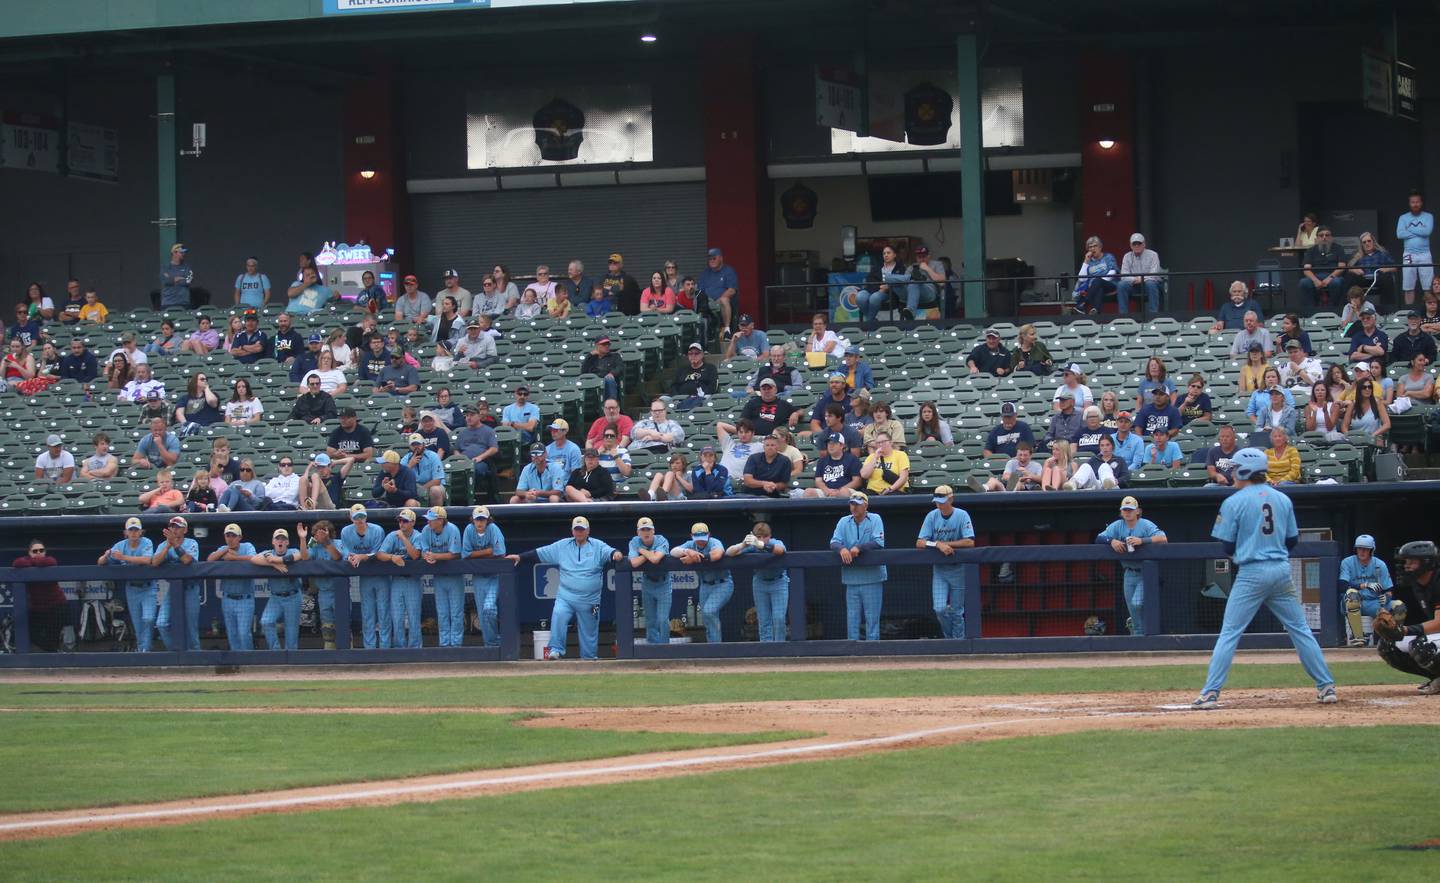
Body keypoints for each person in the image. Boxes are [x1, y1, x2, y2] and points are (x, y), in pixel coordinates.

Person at [1192, 448, 1337, 708]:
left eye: (1236, 468)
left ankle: (1210, 693)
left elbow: (1226, 546)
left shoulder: (1234, 501)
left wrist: (1250, 547)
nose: (1232, 473)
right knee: (1301, 630)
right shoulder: (1282, 498)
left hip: (1251, 572)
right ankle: (1326, 686)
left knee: (1229, 634)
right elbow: (1292, 540)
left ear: (1246, 470)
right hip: (1281, 570)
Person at [507, 515, 624, 660]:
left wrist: (616, 554)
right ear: (572, 531)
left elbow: (611, 552)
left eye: (582, 529)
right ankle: (555, 650)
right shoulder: (563, 546)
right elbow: (540, 553)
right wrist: (520, 557)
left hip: (591, 601)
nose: (579, 532)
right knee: (558, 616)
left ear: (588, 531)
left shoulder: (597, 546)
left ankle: (589, 659)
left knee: (590, 629)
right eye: (576, 529)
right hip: (566, 597)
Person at [1372, 540, 1440, 692]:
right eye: (1406, 561)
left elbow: (1439, 623)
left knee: (1423, 646)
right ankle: (1436, 678)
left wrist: (1406, 630)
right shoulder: (1418, 584)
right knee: (1388, 645)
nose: (1406, 566)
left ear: (1426, 563)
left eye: (1412, 562)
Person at [916, 485, 975, 639]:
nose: (939, 504)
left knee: (957, 611)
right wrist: (937, 544)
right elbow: (920, 542)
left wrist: (949, 545)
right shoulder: (932, 516)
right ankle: (950, 639)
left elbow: (970, 542)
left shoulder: (962, 515)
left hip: (958, 569)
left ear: (951, 499)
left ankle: (959, 642)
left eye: (942, 501)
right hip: (940, 571)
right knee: (939, 608)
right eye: (937, 501)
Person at [829, 491, 887, 640]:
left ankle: (873, 651)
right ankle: (852, 652)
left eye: (858, 504)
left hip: (872, 577)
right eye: (852, 504)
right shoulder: (844, 521)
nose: (854, 507)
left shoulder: (875, 519)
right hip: (851, 578)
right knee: (852, 618)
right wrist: (841, 549)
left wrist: (858, 548)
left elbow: (878, 542)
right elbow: (834, 542)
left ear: (865, 505)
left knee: (872, 618)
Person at [99, 517, 158, 652]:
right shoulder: (120, 545)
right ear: (125, 532)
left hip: (148, 588)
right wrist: (106, 556)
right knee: (138, 625)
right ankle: (144, 651)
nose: (133, 533)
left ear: (141, 531)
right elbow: (101, 562)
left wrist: (124, 558)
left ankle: (145, 649)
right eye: (130, 530)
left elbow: (147, 559)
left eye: (136, 530)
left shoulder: (146, 542)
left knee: (148, 619)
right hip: (131, 588)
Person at [341, 504, 390, 649]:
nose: (360, 520)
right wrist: (351, 557)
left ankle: (385, 647)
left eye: (362, 516)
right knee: (367, 613)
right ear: (351, 518)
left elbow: (378, 553)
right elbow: (345, 551)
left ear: (366, 516)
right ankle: (369, 648)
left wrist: (362, 556)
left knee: (384, 612)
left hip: (381, 575)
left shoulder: (377, 530)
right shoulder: (346, 532)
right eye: (356, 517)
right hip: (365, 577)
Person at [1336, 534, 1398, 647]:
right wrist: (1364, 585)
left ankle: (1393, 638)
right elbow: (1342, 586)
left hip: (1374, 602)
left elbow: (1389, 589)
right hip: (1353, 603)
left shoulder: (1380, 564)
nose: (1362, 551)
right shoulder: (1347, 562)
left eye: (1365, 549)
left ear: (1371, 550)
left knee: (1399, 607)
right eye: (1359, 548)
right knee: (1352, 596)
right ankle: (1358, 637)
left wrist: (1387, 597)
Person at [250, 527, 306, 651]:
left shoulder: (293, 550)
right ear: (273, 542)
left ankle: (291, 663)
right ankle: (276, 651)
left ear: (287, 542)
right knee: (266, 621)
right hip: (275, 598)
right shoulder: (269, 553)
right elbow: (253, 559)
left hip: (293, 596)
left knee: (291, 632)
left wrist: (278, 560)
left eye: (283, 539)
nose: (280, 541)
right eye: (278, 539)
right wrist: (273, 564)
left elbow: (300, 555)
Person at [375, 508, 424, 648]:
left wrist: (403, 538)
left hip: (413, 580)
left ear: (413, 522)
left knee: (414, 617)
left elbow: (415, 555)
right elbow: (380, 554)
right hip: (397, 581)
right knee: (397, 618)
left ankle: (415, 649)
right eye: (400, 521)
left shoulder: (418, 536)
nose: (401, 524)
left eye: (405, 521)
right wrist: (392, 557)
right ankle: (399, 648)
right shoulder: (392, 535)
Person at [207, 523, 258, 651]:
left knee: (243, 633)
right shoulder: (223, 548)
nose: (230, 538)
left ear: (240, 537)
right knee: (232, 635)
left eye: (233, 536)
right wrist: (224, 550)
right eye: (228, 535)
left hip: (245, 599)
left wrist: (235, 558)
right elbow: (209, 560)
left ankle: (248, 661)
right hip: (227, 599)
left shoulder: (247, 546)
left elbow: (255, 558)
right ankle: (237, 664)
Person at [628, 516, 673, 647]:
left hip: (663, 583)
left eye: (648, 529)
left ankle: (665, 649)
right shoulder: (635, 541)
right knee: (650, 621)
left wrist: (641, 551)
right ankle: (653, 649)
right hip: (647, 583)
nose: (645, 532)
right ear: (638, 532)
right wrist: (648, 553)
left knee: (662, 620)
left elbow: (655, 559)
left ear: (653, 531)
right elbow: (634, 563)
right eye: (642, 530)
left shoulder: (661, 540)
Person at [1396, 190, 1434, 305]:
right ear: (1409, 203)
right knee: (1408, 285)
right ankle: (1409, 311)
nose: (1415, 204)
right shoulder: (1403, 218)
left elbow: (1427, 231)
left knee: (1428, 285)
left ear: (1421, 203)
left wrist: (1409, 229)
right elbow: (1399, 234)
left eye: (1417, 202)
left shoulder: (1428, 216)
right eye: (1413, 202)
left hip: (1425, 254)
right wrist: (1420, 231)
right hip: (1408, 254)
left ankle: (1429, 310)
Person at [1299, 226, 1348, 310]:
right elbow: (1306, 270)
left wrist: (1329, 278)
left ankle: (1334, 309)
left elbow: (1342, 267)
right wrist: (1315, 280)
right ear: (1317, 238)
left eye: (1327, 235)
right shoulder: (1311, 250)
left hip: (1333, 276)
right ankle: (1310, 310)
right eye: (1321, 235)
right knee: (1304, 282)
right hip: (1316, 276)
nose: (1324, 237)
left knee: (1336, 282)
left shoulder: (1338, 248)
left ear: (1331, 237)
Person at [456, 407, 500, 499]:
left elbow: (494, 448)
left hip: (481, 462)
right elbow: (456, 449)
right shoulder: (462, 433)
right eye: (467, 415)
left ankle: (471, 496)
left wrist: (480, 457)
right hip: (463, 462)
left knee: (475, 470)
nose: (468, 418)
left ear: (479, 416)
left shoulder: (488, 431)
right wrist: (459, 458)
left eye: (472, 415)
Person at [326, 407, 376, 486]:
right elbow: (329, 452)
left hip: (359, 466)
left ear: (354, 418)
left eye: (346, 418)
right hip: (341, 466)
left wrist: (348, 456)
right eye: (341, 418)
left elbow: (368, 454)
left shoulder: (363, 431)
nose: (343, 420)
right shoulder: (336, 432)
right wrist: (336, 454)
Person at [805, 432, 863, 499]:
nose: (830, 446)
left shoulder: (852, 459)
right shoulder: (822, 461)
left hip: (847, 490)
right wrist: (826, 490)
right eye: (829, 443)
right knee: (808, 492)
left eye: (834, 443)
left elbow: (857, 481)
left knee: (843, 492)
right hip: (827, 491)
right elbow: (818, 480)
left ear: (841, 445)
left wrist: (839, 491)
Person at [1116, 232, 1163, 313]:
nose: (1137, 246)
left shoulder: (1153, 255)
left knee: (1150, 283)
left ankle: (1153, 316)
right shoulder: (1127, 256)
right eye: (1134, 244)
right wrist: (1135, 279)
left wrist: (1141, 279)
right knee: (1121, 285)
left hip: (1149, 285)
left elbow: (1154, 275)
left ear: (1144, 244)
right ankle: (1123, 317)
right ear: (1131, 245)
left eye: (1139, 243)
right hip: (1134, 285)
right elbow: (1123, 276)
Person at [1347, 231, 1397, 307]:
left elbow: (1394, 268)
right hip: (1363, 278)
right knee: (1351, 278)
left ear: (1373, 242)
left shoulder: (1382, 253)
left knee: (1387, 278)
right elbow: (1348, 268)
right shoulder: (1357, 255)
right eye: (1364, 242)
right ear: (1361, 245)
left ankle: (1388, 308)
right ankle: (1353, 306)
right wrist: (1355, 270)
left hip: (1378, 278)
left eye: (1369, 241)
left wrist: (1385, 269)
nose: (1367, 243)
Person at [1071, 235, 1118, 314]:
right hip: (1095, 287)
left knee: (1097, 281)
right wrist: (1086, 261)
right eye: (1090, 247)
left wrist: (1098, 282)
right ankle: (1096, 311)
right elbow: (1082, 279)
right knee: (1099, 289)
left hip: (1110, 284)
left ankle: (1083, 303)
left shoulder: (1108, 257)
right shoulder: (1089, 261)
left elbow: (1113, 272)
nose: (1093, 249)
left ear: (1100, 247)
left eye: (1095, 246)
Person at [697, 247, 738, 332]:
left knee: (724, 300)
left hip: (722, 302)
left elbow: (732, 290)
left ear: (721, 258)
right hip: (707, 303)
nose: (711, 260)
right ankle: (700, 332)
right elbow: (700, 290)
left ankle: (727, 330)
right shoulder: (705, 273)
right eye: (710, 259)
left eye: (714, 258)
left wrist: (718, 300)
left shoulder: (728, 271)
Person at [859, 245, 904, 322]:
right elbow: (869, 280)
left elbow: (901, 283)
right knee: (860, 297)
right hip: (872, 290)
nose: (886, 255)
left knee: (874, 298)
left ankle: (869, 323)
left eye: (888, 253)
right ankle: (872, 320)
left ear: (894, 255)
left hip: (889, 293)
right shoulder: (877, 267)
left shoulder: (900, 268)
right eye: (884, 253)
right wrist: (880, 288)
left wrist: (888, 287)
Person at [978, 440, 1043, 492]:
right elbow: (1005, 476)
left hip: (1024, 489)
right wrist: (1019, 478)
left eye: (1025, 455)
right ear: (1016, 454)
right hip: (1005, 488)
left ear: (1030, 455)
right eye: (1020, 455)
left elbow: (1041, 479)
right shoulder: (1011, 462)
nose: (1022, 458)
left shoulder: (1036, 465)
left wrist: (1029, 475)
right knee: (992, 480)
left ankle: (1012, 491)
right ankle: (983, 489)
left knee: (1018, 483)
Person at [667, 342, 716, 410]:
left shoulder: (710, 368)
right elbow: (673, 386)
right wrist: (677, 397)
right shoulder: (681, 369)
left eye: (696, 353)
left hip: (702, 398)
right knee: (663, 399)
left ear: (702, 354)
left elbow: (713, 386)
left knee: (708, 398)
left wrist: (699, 396)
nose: (693, 355)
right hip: (681, 399)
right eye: (691, 353)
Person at [401, 433, 445, 508]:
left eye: (418, 444)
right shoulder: (406, 459)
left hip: (432, 486)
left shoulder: (433, 456)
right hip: (414, 489)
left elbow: (437, 481)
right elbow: (400, 479)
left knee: (435, 490)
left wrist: (422, 489)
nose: (416, 447)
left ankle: (435, 515)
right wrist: (410, 466)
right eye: (413, 445)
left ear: (424, 444)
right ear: (410, 446)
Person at [1340, 377, 1390, 441]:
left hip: (1373, 439)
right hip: (1356, 440)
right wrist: (1349, 437)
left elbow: (1387, 424)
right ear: (1359, 390)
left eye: (1370, 387)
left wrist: (1373, 436)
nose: (1367, 389)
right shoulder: (1352, 405)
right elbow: (1344, 425)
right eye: (1364, 387)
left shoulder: (1378, 403)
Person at [859, 431, 909, 495]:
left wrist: (890, 489)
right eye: (878, 443)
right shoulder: (872, 457)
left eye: (883, 442)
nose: (880, 444)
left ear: (890, 442)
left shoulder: (900, 455)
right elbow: (864, 475)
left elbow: (904, 477)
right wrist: (875, 458)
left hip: (893, 490)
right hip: (873, 491)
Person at [580, 336, 624, 402]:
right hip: (593, 383)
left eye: (608, 344)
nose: (606, 346)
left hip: (608, 381)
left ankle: (611, 406)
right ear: (597, 345)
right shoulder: (591, 358)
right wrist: (589, 356)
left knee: (609, 380)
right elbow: (583, 372)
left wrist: (611, 374)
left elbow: (620, 368)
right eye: (603, 344)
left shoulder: (615, 356)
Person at [160, 242, 193, 309]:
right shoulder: (165, 267)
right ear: (174, 253)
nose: (183, 254)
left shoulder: (187, 267)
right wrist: (177, 279)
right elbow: (165, 281)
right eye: (181, 252)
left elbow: (188, 280)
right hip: (168, 302)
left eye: (184, 252)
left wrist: (172, 279)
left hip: (183, 302)